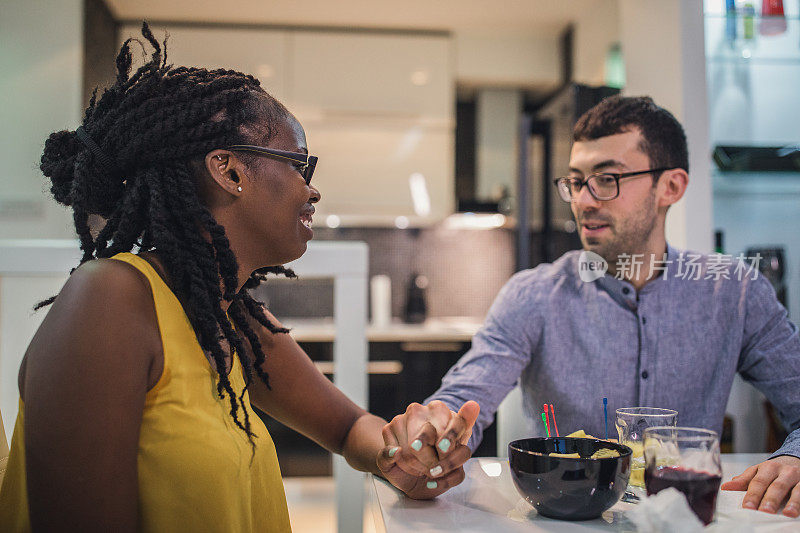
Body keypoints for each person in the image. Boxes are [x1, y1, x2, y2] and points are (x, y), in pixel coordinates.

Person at [0, 23, 477, 532]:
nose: (312, 191)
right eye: (300, 164)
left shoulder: (228, 317)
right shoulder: (110, 300)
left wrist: (401, 453)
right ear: (228, 171)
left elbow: (348, 428)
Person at [395, 96, 800, 517]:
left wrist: (794, 459)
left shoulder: (734, 292)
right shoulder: (534, 294)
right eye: (575, 180)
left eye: (607, 179)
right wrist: (436, 432)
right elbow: (463, 401)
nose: (584, 200)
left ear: (671, 187)